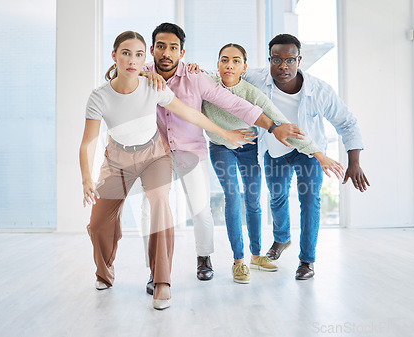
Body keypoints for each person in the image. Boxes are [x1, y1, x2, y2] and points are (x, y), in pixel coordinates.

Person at [79, 31, 254, 310]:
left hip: (153, 157)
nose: (132, 60)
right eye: (126, 53)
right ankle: (105, 270)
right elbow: (88, 141)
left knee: (160, 206)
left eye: (138, 55)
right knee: (99, 223)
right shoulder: (100, 96)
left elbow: (190, 113)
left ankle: (162, 280)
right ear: (114, 56)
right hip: (115, 161)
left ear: (144, 58)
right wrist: (87, 178)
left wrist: (225, 133)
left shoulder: (155, 86)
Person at [142, 23, 307, 292]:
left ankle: (205, 258)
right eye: (161, 46)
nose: (166, 53)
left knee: (202, 211)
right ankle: (156, 270)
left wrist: (274, 127)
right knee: (153, 212)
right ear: (152, 49)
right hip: (157, 154)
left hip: (191, 152)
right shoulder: (143, 74)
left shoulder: (196, 77)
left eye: (173, 47)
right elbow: (119, 81)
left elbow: (236, 104)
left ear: (182, 52)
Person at [201, 43, 344, 283]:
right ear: (217, 64)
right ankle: (239, 261)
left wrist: (318, 154)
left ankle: (256, 256)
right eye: (224, 60)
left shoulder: (251, 93)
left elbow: (281, 123)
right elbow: (179, 75)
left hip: (248, 148)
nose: (229, 65)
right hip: (221, 147)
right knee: (233, 196)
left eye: (236, 61)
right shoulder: (206, 83)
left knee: (253, 200)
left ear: (244, 67)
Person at [243, 34, 370, 280]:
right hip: (274, 149)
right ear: (269, 59)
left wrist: (354, 162)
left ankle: (306, 260)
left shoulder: (320, 90)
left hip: (310, 153)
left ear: (299, 59)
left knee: (310, 201)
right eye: (277, 60)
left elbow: (347, 122)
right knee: (277, 197)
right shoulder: (256, 80)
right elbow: (228, 76)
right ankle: (281, 239)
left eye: (290, 60)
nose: (283, 66)